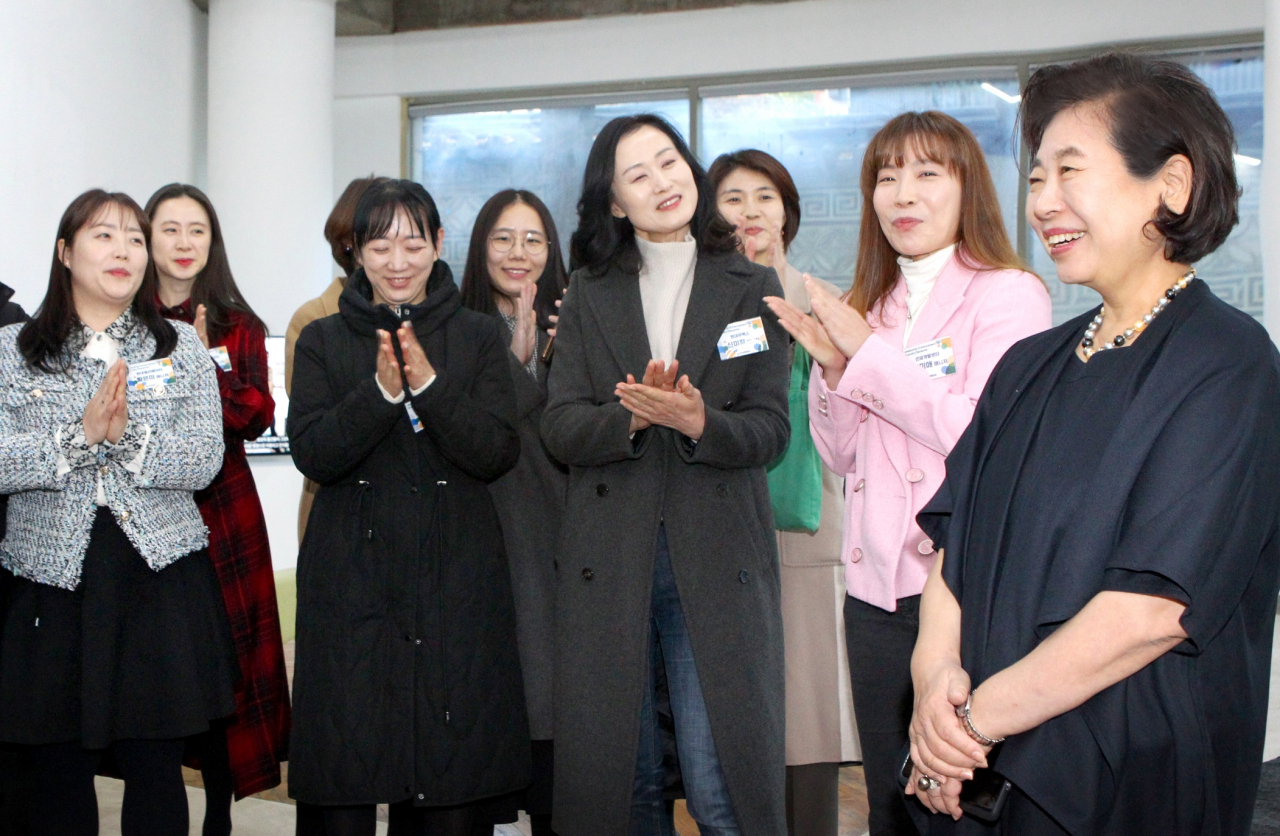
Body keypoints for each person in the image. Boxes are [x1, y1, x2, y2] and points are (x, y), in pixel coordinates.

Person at [904, 53, 1280, 836]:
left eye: (1070, 171)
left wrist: (971, 726)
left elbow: (1152, 611)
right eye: (1036, 178)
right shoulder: (1029, 363)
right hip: (987, 764)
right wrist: (934, 682)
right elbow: (953, 547)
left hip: (1129, 772)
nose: (1043, 202)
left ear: (1171, 185)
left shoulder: (1229, 363)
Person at [764, 111, 1050, 835]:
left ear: (966, 190)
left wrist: (867, 357)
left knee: (963, 801)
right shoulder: (876, 304)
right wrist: (833, 372)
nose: (902, 194)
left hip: (960, 596)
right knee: (894, 802)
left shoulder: (1009, 294)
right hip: (873, 601)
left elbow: (982, 437)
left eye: (927, 173)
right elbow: (842, 457)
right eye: (886, 177)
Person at [542, 113, 791, 836]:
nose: (663, 181)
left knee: (721, 789)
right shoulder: (590, 290)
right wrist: (633, 418)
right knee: (627, 786)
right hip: (609, 561)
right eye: (638, 174)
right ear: (615, 202)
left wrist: (697, 422)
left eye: (669, 160)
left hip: (715, 562)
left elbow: (770, 430)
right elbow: (560, 425)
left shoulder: (751, 285)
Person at [287, 179, 528, 836]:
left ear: (439, 244)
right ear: (356, 252)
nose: (398, 261)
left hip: (456, 582)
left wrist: (427, 386)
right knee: (346, 776)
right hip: (351, 589)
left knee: (449, 784)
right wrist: (379, 394)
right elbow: (314, 453)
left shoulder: (478, 337)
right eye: (380, 244)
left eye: (413, 243)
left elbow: (495, 451)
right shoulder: (323, 340)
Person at [0, 188, 235, 835]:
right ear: (65, 252)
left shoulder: (178, 346)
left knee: (156, 767)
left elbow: (202, 459)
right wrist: (78, 437)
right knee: (57, 772)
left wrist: (125, 437)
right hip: (52, 581)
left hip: (157, 579)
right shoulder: (14, 349)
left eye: (134, 238)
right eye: (104, 236)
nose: (123, 250)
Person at [709, 149, 860, 836]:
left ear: (787, 212)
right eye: (733, 197)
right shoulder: (705, 307)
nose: (749, 212)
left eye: (764, 196)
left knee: (807, 701)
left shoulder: (825, 301)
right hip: (721, 517)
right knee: (732, 703)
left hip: (807, 519)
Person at [146, 182, 292, 835]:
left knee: (228, 658)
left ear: (212, 241)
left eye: (195, 230)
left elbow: (255, 415)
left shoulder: (239, 324)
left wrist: (204, 362)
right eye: (170, 229)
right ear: (148, 236)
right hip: (146, 505)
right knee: (162, 659)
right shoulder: (125, 319)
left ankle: (220, 814)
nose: (183, 243)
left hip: (225, 508)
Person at [459, 189, 568, 836]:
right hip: (483, 539)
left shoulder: (577, 323)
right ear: (479, 248)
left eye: (533, 239)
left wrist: (536, 359)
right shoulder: (456, 330)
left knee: (553, 715)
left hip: (559, 542)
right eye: (502, 237)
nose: (518, 252)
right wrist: (515, 362)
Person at [286, 175, 392, 545]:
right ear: (349, 242)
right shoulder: (314, 319)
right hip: (335, 507)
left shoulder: (426, 317)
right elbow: (313, 425)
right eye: (378, 235)